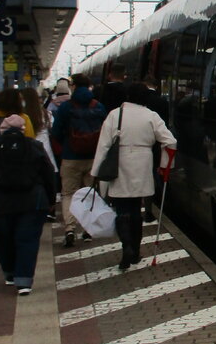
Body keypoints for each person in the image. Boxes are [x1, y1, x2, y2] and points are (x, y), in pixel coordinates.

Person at [0, 114, 55, 294]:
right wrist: (50, 200)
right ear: (23, 130)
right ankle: (24, 282)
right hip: (33, 202)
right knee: (27, 240)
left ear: (1, 131)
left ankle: (10, 272)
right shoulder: (35, 146)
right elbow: (49, 173)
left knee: (3, 240)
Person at [92, 82, 176, 271]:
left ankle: (126, 247)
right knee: (137, 209)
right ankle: (136, 251)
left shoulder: (115, 115)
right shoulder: (151, 116)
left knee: (122, 209)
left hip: (119, 164)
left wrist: (97, 172)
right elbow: (170, 141)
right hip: (142, 163)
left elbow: (104, 145)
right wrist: (164, 165)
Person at [50, 73, 106, 247]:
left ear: (73, 86)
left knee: (68, 193)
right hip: (92, 157)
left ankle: (70, 229)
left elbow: (56, 132)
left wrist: (66, 145)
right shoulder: (98, 106)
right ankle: (88, 230)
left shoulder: (66, 107)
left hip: (70, 157)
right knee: (90, 193)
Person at [21, 87, 58, 220]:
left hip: (27, 150)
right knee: (47, 178)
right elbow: (52, 129)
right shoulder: (45, 114)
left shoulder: (21, 116)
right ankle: (49, 208)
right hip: (45, 149)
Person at [141, 75, 170, 222]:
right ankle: (154, 199)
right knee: (153, 172)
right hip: (156, 143)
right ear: (156, 86)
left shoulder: (142, 102)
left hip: (140, 145)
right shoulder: (162, 101)